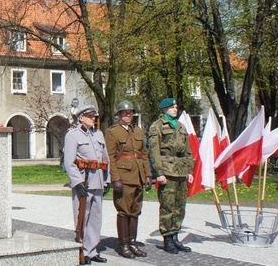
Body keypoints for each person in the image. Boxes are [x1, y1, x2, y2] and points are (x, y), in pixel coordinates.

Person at [104, 101, 152, 258]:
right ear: (118, 115)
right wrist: (115, 178)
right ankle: (123, 245)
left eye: (130, 112)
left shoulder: (137, 131)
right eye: (124, 113)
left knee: (135, 212)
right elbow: (110, 156)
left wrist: (148, 175)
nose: (128, 115)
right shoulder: (113, 132)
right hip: (123, 178)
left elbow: (143, 155)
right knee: (124, 212)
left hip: (137, 177)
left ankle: (133, 243)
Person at [64, 105, 110, 265]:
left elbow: (105, 159)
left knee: (96, 218)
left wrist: (107, 179)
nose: (93, 118)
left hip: (97, 180)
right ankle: (82, 250)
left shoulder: (99, 134)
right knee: (82, 217)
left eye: (94, 116)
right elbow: (69, 162)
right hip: (83, 182)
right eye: (90, 116)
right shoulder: (73, 135)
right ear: (81, 118)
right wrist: (76, 182)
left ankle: (92, 250)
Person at [147, 98, 194, 254]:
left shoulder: (180, 127)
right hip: (167, 170)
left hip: (180, 170)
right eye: (172, 107)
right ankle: (167, 238)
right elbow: (154, 151)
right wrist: (159, 173)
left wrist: (189, 170)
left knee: (180, 206)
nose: (175, 109)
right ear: (164, 109)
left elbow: (187, 150)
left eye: (176, 107)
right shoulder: (157, 126)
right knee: (167, 206)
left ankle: (175, 236)